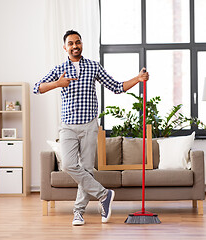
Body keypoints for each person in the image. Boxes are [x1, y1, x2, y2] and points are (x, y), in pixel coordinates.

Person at [34, 30, 149, 226]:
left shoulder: (93, 67)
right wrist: (58, 83)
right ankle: (104, 194)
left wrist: (137, 79)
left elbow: (116, 87)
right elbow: (38, 87)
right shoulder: (60, 68)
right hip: (68, 126)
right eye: (70, 43)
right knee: (69, 165)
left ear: (82, 44)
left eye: (77, 42)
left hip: (89, 125)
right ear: (65, 48)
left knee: (86, 170)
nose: (75, 46)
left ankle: (78, 212)